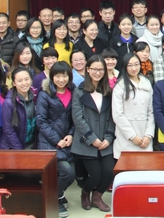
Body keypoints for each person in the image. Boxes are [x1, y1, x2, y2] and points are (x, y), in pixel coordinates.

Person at [72, 55, 115, 212]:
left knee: (109, 172)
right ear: (88, 70)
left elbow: (112, 117)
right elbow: (77, 118)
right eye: (94, 69)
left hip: (105, 141)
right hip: (86, 142)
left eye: (101, 69)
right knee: (95, 175)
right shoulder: (79, 91)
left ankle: (97, 197)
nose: (98, 73)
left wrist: (108, 137)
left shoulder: (108, 91)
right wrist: (91, 138)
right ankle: (85, 193)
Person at [36, 61, 76, 217]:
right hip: (49, 142)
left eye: (64, 76)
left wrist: (71, 134)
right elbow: (41, 121)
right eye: (57, 76)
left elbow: (75, 119)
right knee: (66, 172)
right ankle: (54, 198)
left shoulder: (73, 92)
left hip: (67, 142)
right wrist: (57, 140)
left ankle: (58, 194)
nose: (61, 79)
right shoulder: (44, 94)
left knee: (73, 173)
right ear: (52, 77)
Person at [112, 53, 155, 158]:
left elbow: (151, 112)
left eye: (136, 64)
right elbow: (117, 115)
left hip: (145, 137)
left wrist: (148, 135)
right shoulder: (120, 86)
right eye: (130, 65)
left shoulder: (146, 83)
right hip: (126, 138)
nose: (134, 68)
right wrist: (132, 136)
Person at [0, 67, 37, 149]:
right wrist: (19, 150)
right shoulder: (8, 103)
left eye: (26, 79)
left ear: (31, 80)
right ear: (14, 83)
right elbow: (8, 130)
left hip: (30, 144)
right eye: (20, 81)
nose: (24, 83)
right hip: (13, 147)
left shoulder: (35, 96)